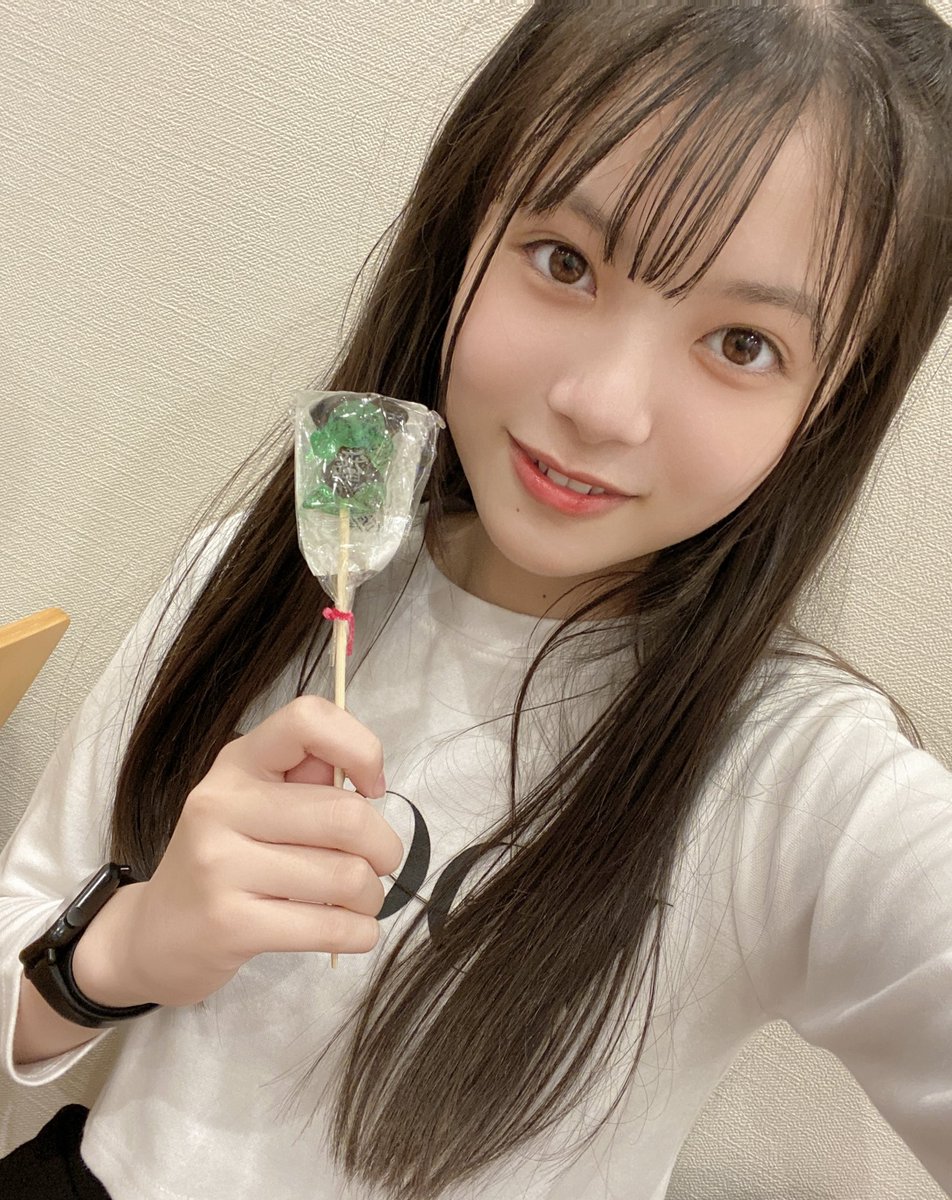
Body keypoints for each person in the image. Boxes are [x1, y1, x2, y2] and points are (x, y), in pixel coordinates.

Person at [2, 2, 951, 1198]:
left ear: (832, 404)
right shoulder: (252, 584)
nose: (602, 404)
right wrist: (125, 952)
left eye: (742, 344)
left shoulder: (804, 783)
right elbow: (24, 936)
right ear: (464, 231)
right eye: (566, 261)